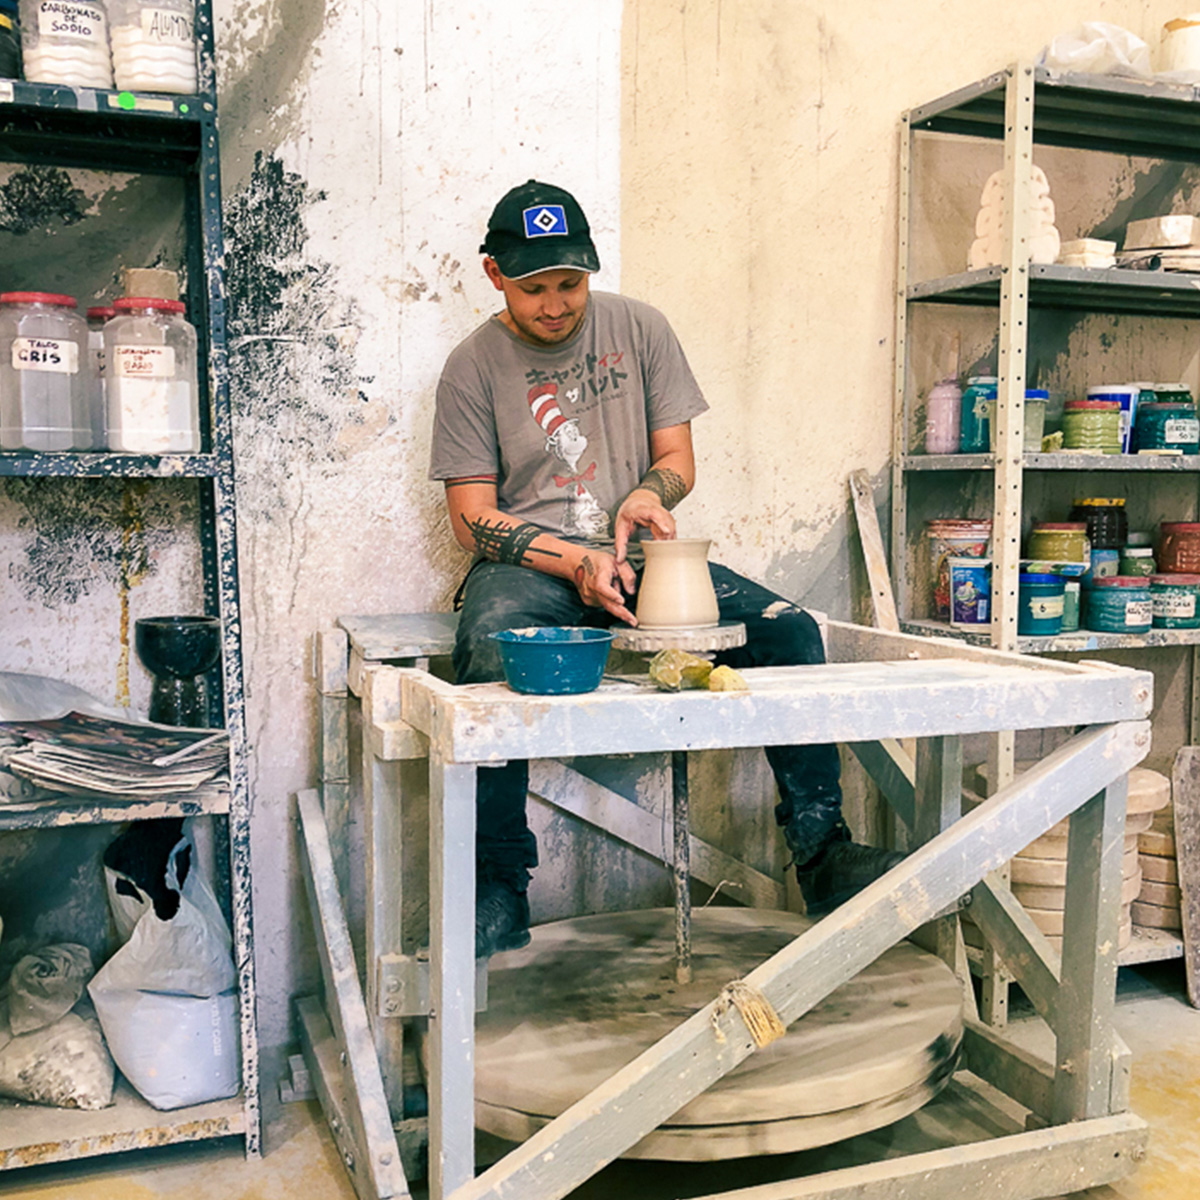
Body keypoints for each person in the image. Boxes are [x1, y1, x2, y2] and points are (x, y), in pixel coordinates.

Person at [429, 180, 902, 958]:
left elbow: (677, 457)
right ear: (494, 275)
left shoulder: (640, 328)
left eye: (570, 283)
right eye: (534, 288)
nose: (555, 305)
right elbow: (471, 515)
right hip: (534, 562)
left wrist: (650, 494)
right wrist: (575, 560)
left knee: (789, 632)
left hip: (638, 553)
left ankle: (822, 854)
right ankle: (499, 884)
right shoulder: (472, 367)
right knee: (488, 648)